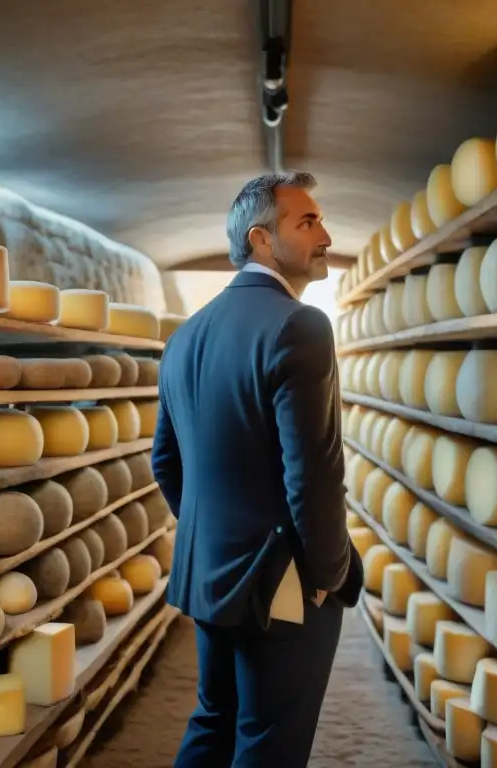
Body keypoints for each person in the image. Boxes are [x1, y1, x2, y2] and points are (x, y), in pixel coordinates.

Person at [151, 170, 363, 767]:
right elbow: (314, 472)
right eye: (308, 221)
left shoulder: (185, 335)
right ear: (262, 240)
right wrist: (327, 571)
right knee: (270, 743)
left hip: (208, 572)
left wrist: (217, 534)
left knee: (213, 722)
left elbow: (165, 461)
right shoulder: (301, 324)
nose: (325, 234)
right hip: (284, 582)